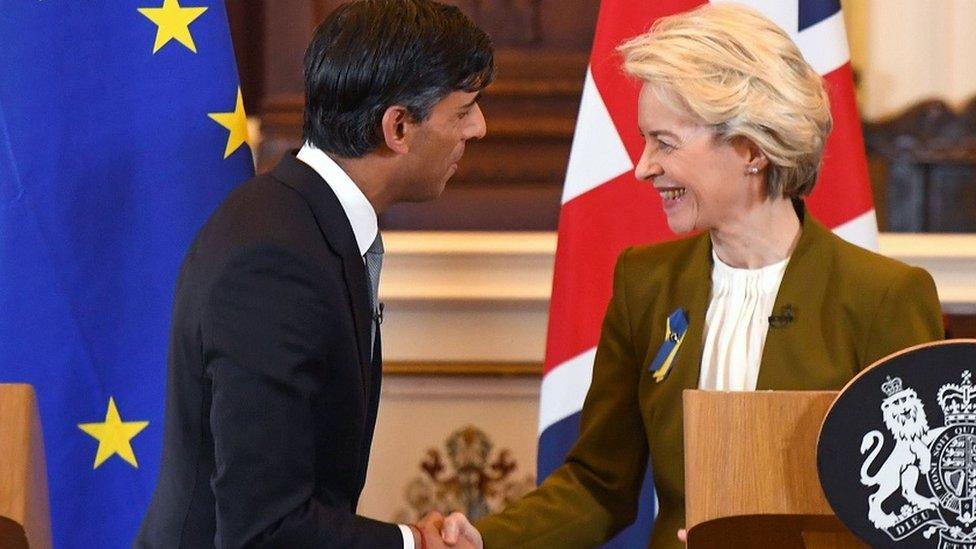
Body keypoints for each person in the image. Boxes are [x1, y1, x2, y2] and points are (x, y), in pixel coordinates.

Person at [439, 4, 943, 548]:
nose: (643, 167)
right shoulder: (645, 284)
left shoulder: (883, 297)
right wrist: (486, 541)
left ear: (751, 148)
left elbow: (917, 511)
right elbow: (597, 486)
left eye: (665, 142)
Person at [135, 1, 493, 547]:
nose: (480, 128)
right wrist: (413, 543)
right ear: (398, 126)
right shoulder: (274, 262)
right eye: (464, 109)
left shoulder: (299, 223)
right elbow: (265, 528)